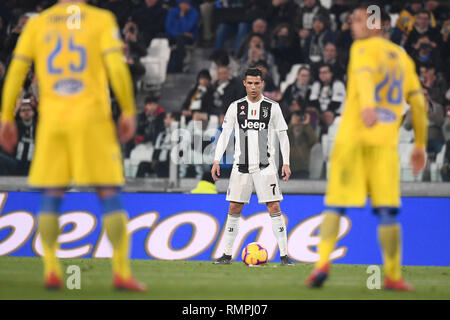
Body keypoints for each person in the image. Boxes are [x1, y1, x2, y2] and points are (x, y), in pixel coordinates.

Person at [0, 0, 146, 291]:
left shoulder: (37, 24)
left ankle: (52, 271)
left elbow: (16, 72)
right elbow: (117, 68)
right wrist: (129, 109)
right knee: (108, 193)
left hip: (53, 120)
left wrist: (6, 116)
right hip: (92, 119)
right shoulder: (101, 19)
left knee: (51, 196)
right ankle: (121, 272)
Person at [306, 4, 427, 291]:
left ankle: (322, 263)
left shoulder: (362, 49)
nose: (352, 25)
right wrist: (419, 144)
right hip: (385, 146)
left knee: (336, 204)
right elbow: (419, 102)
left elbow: (363, 77)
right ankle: (394, 276)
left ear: (375, 24)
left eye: (358, 20)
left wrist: (369, 108)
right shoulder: (402, 57)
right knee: (387, 211)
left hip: (353, 141)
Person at [211, 67, 294, 266]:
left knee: (274, 206)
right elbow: (225, 134)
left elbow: (283, 135)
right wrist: (216, 159)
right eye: (250, 83)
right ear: (244, 84)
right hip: (241, 167)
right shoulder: (236, 107)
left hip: (266, 168)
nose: (254, 87)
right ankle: (227, 254)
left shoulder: (272, 107)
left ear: (262, 84)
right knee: (234, 207)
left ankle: (284, 255)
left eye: (257, 83)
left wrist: (286, 162)